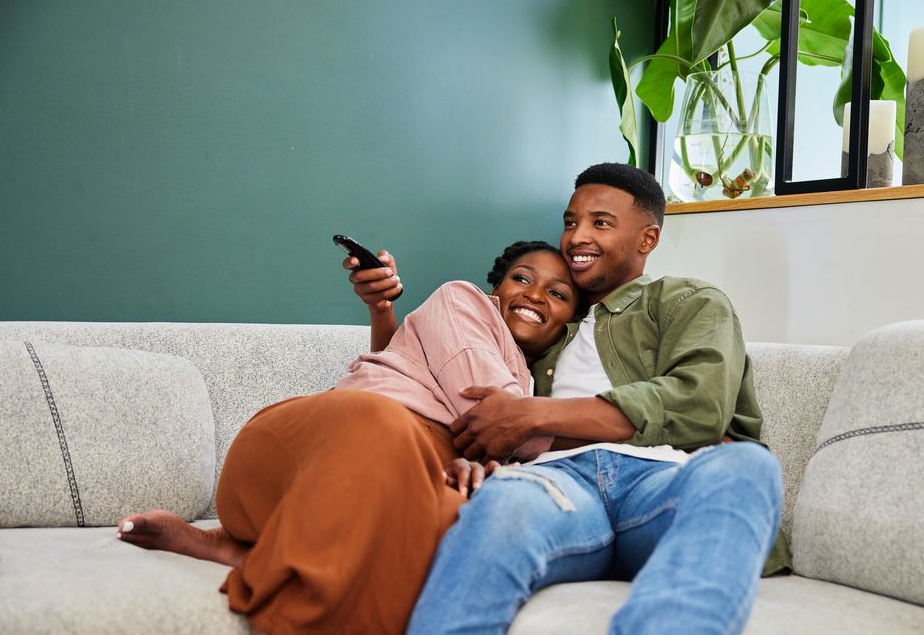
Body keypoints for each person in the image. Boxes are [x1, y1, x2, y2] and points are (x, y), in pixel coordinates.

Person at [355, 163, 789, 635]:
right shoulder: (545, 330)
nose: (577, 236)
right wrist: (384, 312)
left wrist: (529, 415)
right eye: (570, 222)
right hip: (557, 486)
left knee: (748, 467)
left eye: (600, 223)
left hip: (662, 482)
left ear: (647, 239)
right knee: (501, 504)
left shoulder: (686, 300)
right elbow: (435, 377)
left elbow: (699, 404)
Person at [115, 240, 581, 635]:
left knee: (471, 522)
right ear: (495, 291)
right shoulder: (462, 301)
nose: (536, 295)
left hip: (392, 479)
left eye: (558, 294)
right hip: (314, 448)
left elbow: (498, 435)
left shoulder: (528, 386)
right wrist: (603, 423)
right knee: (378, 420)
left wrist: (485, 469)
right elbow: (486, 413)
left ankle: (243, 554)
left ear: (567, 324)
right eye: (522, 279)